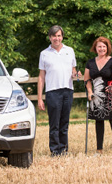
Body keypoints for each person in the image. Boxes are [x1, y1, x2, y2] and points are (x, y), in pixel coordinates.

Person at [38, 25, 82, 156]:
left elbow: (73, 71)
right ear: (50, 37)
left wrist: (76, 75)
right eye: (54, 36)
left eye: (59, 36)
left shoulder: (70, 51)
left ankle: (64, 150)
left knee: (64, 122)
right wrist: (40, 98)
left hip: (67, 90)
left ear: (62, 37)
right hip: (53, 91)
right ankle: (55, 151)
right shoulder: (44, 54)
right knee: (54, 123)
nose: (57, 38)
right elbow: (41, 77)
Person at [84, 36, 112, 155]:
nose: (101, 49)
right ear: (95, 48)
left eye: (104, 46)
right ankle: (99, 150)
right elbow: (87, 80)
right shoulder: (90, 63)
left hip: (111, 95)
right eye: (99, 46)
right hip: (97, 96)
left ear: (107, 48)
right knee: (99, 121)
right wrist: (90, 92)